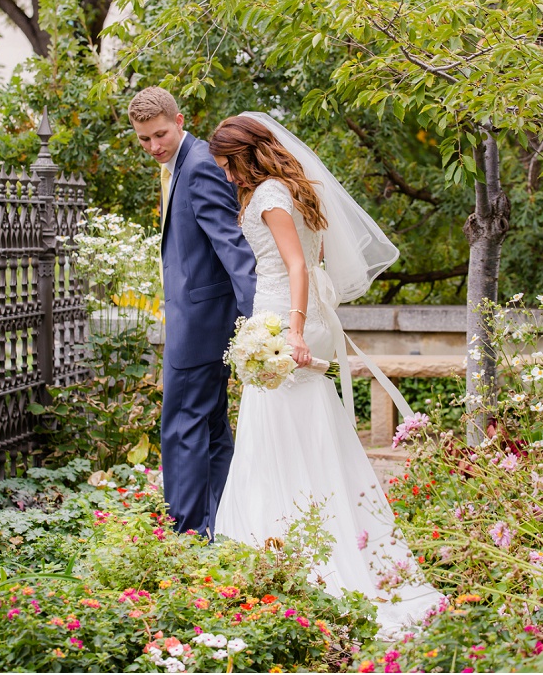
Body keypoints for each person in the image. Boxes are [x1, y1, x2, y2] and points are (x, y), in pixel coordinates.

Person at [209, 113, 443, 637]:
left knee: (272, 432)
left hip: (284, 318)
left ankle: (286, 545)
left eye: (227, 166)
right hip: (293, 314)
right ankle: (306, 530)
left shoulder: (269, 195)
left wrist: (291, 331)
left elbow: (295, 265)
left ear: (243, 156)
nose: (226, 177)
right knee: (302, 427)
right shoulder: (291, 187)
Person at [127, 87, 256, 537]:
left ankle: (183, 537)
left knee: (181, 428)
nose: (153, 147)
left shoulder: (199, 166)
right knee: (212, 429)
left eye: (160, 134)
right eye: (143, 140)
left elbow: (232, 247)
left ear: (179, 121)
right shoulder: (179, 164)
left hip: (201, 326)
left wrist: (258, 318)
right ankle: (220, 524)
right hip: (200, 319)